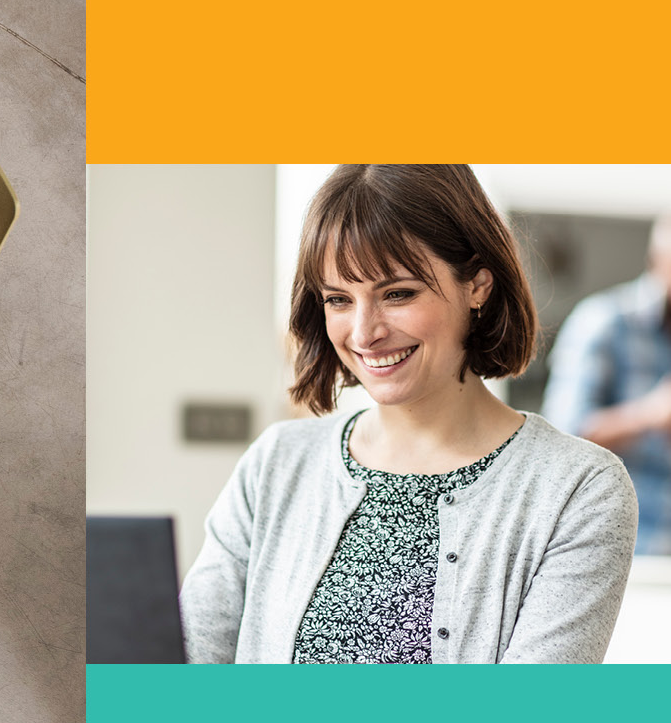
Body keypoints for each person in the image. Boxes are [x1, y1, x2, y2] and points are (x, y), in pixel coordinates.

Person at [181, 164, 638, 664]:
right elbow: (188, 668)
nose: (363, 332)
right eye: (338, 299)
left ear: (478, 286)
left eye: (397, 293)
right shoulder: (275, 465)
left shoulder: (577, 489)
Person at [541, 213, 671, 554]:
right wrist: (650, 415)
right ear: (658, 259)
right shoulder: (603, 322)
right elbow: (560, 440)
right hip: (629, 553)